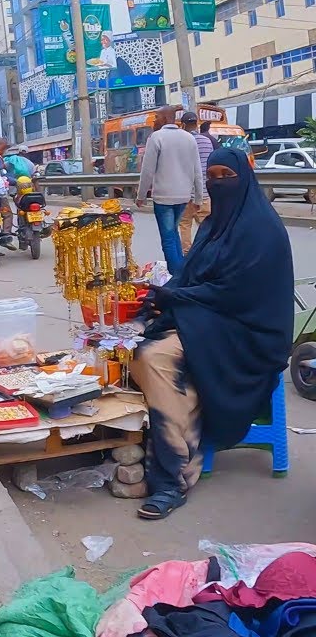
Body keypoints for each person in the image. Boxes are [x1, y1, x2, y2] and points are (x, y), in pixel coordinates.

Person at [130, 147, 292, 520]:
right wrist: (161, 298)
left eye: (227, 177)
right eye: (213, 176)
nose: (219, 184)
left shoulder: (261, 229)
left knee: (154, 356)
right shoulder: (212, 225)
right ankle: (178, 450)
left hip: (248, 330)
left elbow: (239, 294)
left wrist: (179, 297)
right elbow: (190, 276)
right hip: (211, 316)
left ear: (244, 179)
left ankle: (171, 479)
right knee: (137, 342)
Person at [137, 105, 205, 277]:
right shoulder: (189, 138)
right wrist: (198, 198)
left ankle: (177, 278)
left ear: (166, 118)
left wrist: (141, 195)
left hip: (163, 198)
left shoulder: (156, 137)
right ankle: (182, 271)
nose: (155, 120)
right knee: (173, 234)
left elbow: (147, 170)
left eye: (157, 117)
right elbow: (198, 170)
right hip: (183, 197)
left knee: (168, 238)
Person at [178, 114, 215, 254]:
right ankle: (207, 252)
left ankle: (188, 255)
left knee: (185, 224)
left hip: (185, 194)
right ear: (197, 124)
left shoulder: (182, 143)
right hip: (205, 193)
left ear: (183, 125)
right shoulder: (207, 141)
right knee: (206, 226)